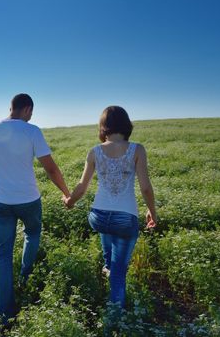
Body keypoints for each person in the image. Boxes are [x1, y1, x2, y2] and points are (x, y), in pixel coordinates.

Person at [0, 93, 71, 324]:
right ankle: (26, 275)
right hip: (28, 200)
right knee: (32, 233)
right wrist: (66, 192)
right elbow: (50, 169)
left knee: (1, 254)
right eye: (32, 112)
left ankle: (5, 314)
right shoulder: (32, 131)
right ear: (27, 109)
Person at [63, 105, 156, 309]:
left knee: (108, 229)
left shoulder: (95, 151)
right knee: (119, 274)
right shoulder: (137, 149)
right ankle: (115, 317)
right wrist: (152, 212)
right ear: (126, 124)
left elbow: (82, 187)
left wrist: (70, 201)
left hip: (98, 217)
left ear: (103, 126)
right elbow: (146, 189)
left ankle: (107, 265)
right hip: (124, 219)